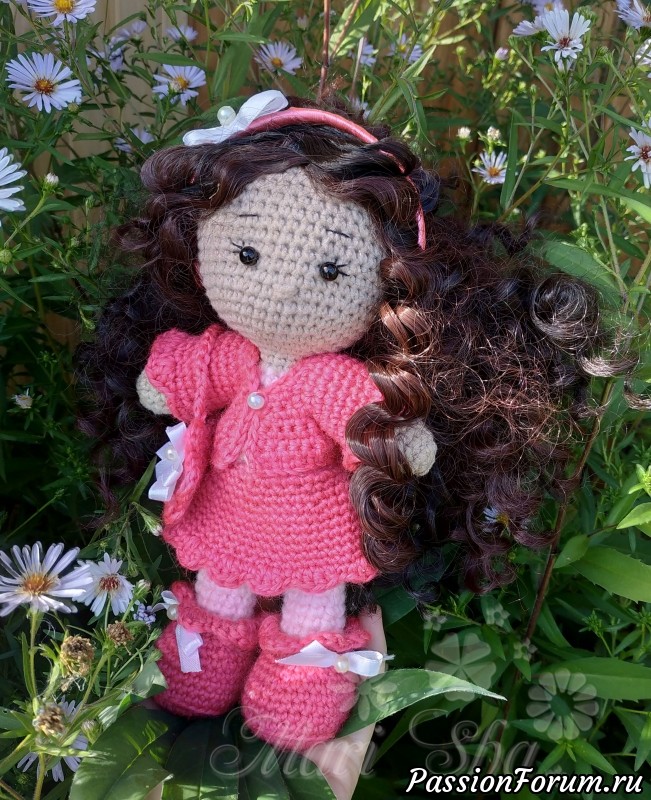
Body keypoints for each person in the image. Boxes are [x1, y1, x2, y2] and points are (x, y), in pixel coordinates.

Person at [78, 91, 613, 757]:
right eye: (246, 254)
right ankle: (203, 664)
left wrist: (397, 441)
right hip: (229, 513)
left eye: (331, 270)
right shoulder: (231, 355)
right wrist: (166, 383)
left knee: (313, 605)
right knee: (219, 592)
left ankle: (299, 685)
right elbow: (189, 372)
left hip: (312, 529)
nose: (280, 291)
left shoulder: (331, 380)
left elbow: (371, 422)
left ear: (387, 287)